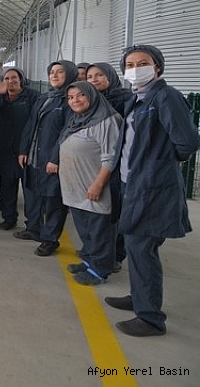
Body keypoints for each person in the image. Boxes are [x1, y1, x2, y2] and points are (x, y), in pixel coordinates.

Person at [105, 45, 200, 337]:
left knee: (142, 247)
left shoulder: (165, 96)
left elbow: (187, 142)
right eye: (130, 64)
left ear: (157, 66)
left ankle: (150, 318)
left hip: (151, 187)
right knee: (136, 245)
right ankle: (139, 297)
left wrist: (157, 164)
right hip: (132, 183)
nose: (135, 69)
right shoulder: (138, 98)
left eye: (142, 63)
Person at [59, 81, 122, 285]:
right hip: (77, 187)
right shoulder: (78, 119)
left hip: (94, 186)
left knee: (99, 230)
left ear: (92, 96)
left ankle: (100, 270)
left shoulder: (107, 120)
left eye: (80, 95)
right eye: (70, 97)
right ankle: (89, 261)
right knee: (86, 229)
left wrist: (98, 184)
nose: (75, 100)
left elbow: (110, 157)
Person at [17, 60, 78, 256]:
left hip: (51, 158)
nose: (54, 75)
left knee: (53, 200)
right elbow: (30, 125)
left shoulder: (70, 100)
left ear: (70, 74)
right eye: (52, 72)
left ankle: (50, 239)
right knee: (32, 193)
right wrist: (23, 150)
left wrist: (55, 158)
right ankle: (33, 228)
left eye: (60, 72)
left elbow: (67, 132)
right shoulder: (44, 97)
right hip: (34, 155)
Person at [86, 62, 132, 271]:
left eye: (99, 75)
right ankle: (98, 254)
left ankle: (116, 256)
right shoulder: (93, 101)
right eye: (90, 77)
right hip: (96, 162)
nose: (94, 80)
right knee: (101, 211)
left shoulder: (124, 99)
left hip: (117, 163)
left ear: (111, 77)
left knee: (115, 211)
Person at [0, 68, 40, 230]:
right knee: (7, 187)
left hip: (27, 150)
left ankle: (33, 224)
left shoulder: (32, 97)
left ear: (21, 79)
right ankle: (9, 218)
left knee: (29, 190)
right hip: (5, 149)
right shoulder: (0, 98)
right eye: (6, 78)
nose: (10, 81)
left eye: (14, 78)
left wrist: (26, 148)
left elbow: (36, 122)